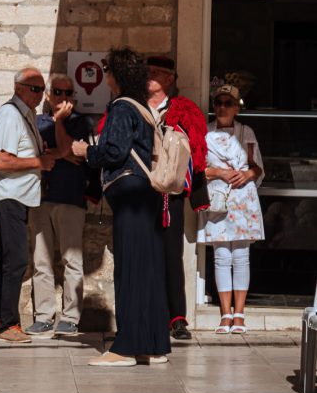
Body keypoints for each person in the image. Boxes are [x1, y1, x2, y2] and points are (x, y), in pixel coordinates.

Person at [73, 47, 170, 366]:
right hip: (147, 195)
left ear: (115, 76)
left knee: (129, 270)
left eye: (108, 70)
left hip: (130, 196)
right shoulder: (143, 108)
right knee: (148, 270)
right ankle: (151, 345)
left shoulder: (121, 107)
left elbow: (114, 152)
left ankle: (125, 348)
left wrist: (86, 151)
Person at [0, 68, 57, 344]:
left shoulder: (26, 115)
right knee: (17, 260)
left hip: (18, 196)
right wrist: (38, 162)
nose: (40, 94)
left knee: (6, 257)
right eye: (34, 88)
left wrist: (38, 154)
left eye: (42, 89)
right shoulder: (11, 115)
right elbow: (0, 161)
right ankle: (9, 325)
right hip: (8, 195)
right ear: (18, 88)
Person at [146, 55, 208, 340]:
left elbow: (196, 151)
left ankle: (177, 318)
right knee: (143, 254)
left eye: (156, 73)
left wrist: (198, 194)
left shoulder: (183, 112)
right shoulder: (133, 107)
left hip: (171, 194)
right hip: (140, 191)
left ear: (169, 79)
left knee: (172, 255)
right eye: (147, 72)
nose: (149, 76)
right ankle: (146, 314)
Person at [27, 74, 94, 337]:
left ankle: (70, 318)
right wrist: (62, 154)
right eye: (57, 92)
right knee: (41, 260)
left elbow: (68, 148)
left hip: (70, 196)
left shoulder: (81, 121)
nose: (63, 97)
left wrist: (59, 123)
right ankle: (44, 316)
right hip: (40, 197)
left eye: (68, 93)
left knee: (71, 259)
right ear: (47, 94)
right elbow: (33, 154)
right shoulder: (35, 121)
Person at [200, 85, 264, 335]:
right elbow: (197, 168)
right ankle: (225, 314)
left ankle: (239, 314)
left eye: (228, 103)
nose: (222, 107)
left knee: (240, 256)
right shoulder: (205, 133)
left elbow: (257, 167)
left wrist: (246, 174)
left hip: (242, 199)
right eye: (218, 103)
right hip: (218, 199)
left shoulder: (246, 132)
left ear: (237, 108)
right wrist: (219, 172)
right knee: (221, 257)